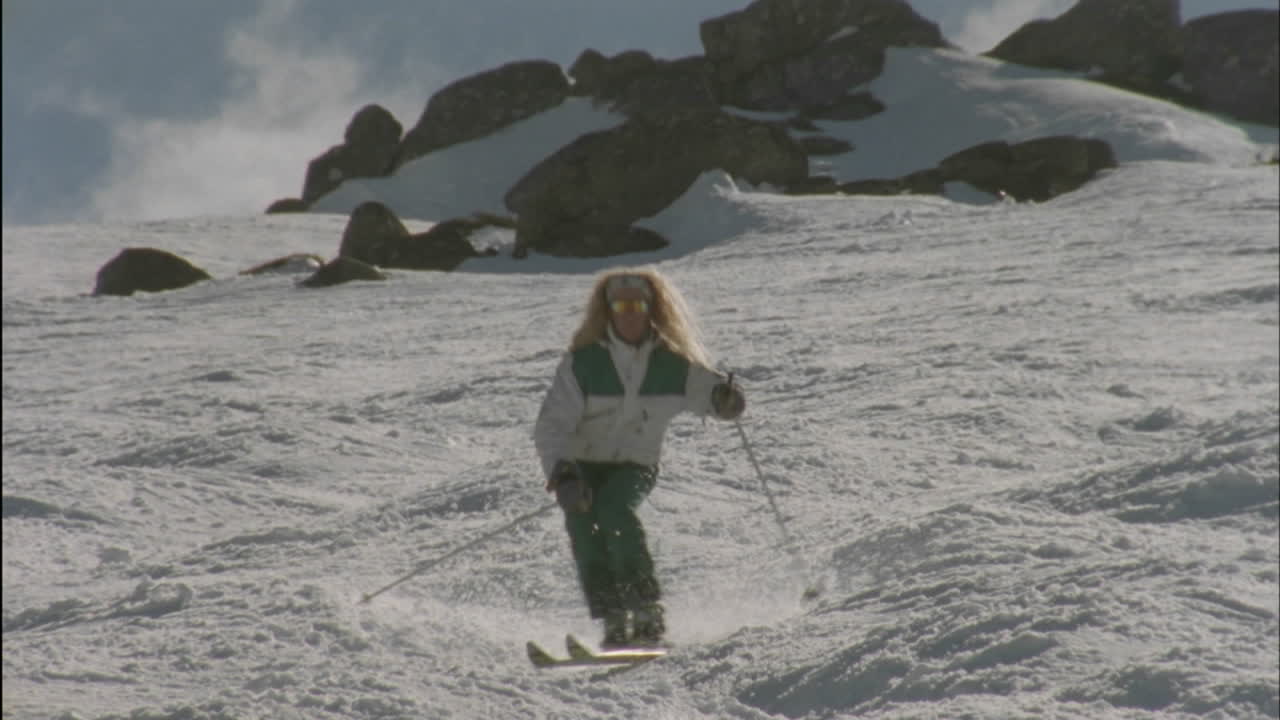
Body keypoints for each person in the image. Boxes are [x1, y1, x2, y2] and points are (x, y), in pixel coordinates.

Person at [533, 267, 746, 648]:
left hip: (635, 465)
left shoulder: (672, 363)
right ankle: (614, 618)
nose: (629, 312)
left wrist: (724, 400)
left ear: (651, 309)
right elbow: (552, 424)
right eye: (620, 305)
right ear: (609, 310)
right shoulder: (583, 363)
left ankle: (647, 612)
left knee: (615, 512)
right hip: (582, 466)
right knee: (584, 528)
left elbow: (707, 392)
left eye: (637, 304)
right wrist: (563, 473)